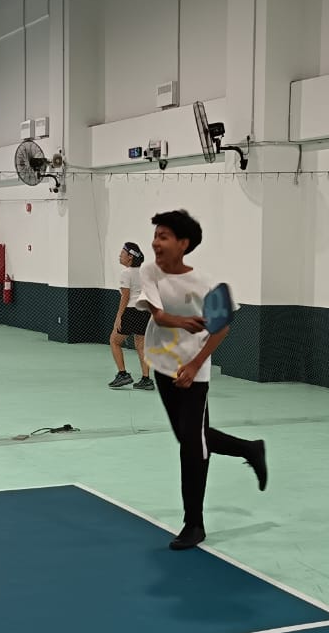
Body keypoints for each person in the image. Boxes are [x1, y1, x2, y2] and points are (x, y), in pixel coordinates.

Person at [134, 209, 267, 550]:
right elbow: (158, 315)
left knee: (192, 447)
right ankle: (249, 449)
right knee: (190, 437)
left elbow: (221, 329)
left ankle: (194, 524)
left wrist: (194, 365)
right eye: (155, 236)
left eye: (164, 236)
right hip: (163, 366)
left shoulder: (205, 283)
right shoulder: (149, 271)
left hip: (194, 373)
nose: (155, 242)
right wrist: (183, 322)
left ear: (183, 243)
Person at [107, 241, 154, 390]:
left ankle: (123, 374)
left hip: (131, 311)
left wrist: (119, 317)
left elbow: (125, 297)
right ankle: (146, 379)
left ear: (130, 257)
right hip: (144, 311)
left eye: (122, 253)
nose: (119, 255)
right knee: (141, 345)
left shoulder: (126, 273)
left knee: (114, 341)